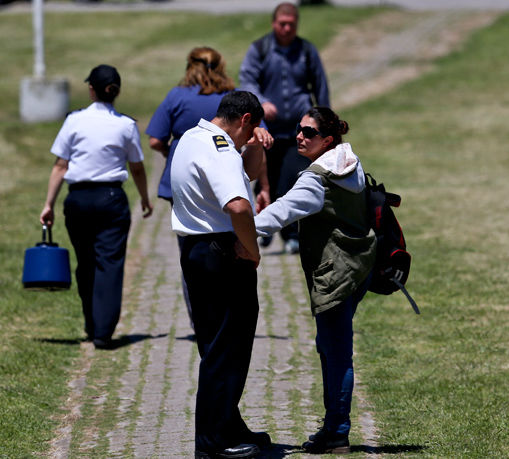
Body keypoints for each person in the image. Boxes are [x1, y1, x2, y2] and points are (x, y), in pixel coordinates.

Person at [254, 107, 376, 454]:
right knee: (333, 347)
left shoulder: (316, 179)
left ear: (328, 139)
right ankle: (334, 426)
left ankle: (337, 431)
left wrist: (240, 230)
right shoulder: (351, 161)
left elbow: (280, 212)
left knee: (336, 353)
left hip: (335, 274)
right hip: (359, 267)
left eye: (309, 132)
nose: (300, 136)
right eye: (299, 129)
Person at [171, 91, 273, 459]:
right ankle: (213, 443)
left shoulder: (192, 138)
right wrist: (253, 249)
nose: (249, 139)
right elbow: (238, 203)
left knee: (218, 347)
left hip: (198, 252)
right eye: (252, 130)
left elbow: (240, 177)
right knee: (227, 350)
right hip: (222, 253)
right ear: (245, 119)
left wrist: (256, 148)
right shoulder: (220, 148)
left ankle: (228, 424)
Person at [145, 47, 270, 329]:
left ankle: (199, 321)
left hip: (185, 185)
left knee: (192, 254)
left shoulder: (178, 97)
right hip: (226, 219)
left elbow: (155, 140)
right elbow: (242, 181)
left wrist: (175, 156)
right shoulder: (232, 100)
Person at [39, 64, 154, 350]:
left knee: (86, 262)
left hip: (77, 199)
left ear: (91, 90)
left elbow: (60, 165)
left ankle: (91, 323)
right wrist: (144, 198)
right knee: (110, 264)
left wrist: (49, 204)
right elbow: (137, 168)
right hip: (111, 199)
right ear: (116, 92)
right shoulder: (126, 125)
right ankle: (103, 331)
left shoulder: (74, 121)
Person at [239, 1, 330, 253]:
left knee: (291, 180)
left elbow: (320, 86)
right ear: (273, 23)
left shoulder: (306, 51)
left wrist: (324, 123)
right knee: (264, 179)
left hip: (298, 132)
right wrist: (262, 102)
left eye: (291, 24)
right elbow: (246, 80)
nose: (287, 28)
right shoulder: (260, 49)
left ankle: (291, 234)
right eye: (282, 23)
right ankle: (262, 226)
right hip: (266, 130)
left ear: (296, 24)